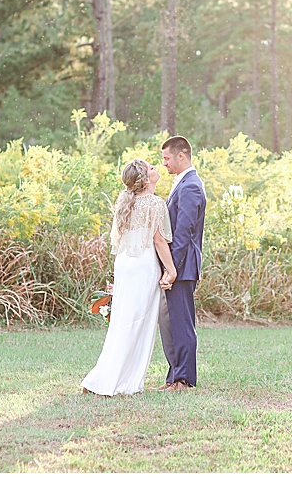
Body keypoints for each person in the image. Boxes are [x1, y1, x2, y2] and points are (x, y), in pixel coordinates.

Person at [81, 158, 177, 397]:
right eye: (151, 168)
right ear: (145, 180)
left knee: (123, 321)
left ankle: (109, 377)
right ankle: (122, 381)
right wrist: (171, 270)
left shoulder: (125, 202)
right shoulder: (155, 203)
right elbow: (158, 240)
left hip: (124, 265)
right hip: (143, 265)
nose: (156, 168)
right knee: (139, 322)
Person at [157, 136, 207, 392]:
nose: (163, 163)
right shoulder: (182, 184)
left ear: (181, 156)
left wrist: (171, 267)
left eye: (167, 158)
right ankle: (173, 377)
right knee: (170, 324)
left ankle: (185, 380)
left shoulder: (191, 186)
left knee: (182, 323)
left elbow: (184, 231)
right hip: (178, 267)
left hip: (183, 267)